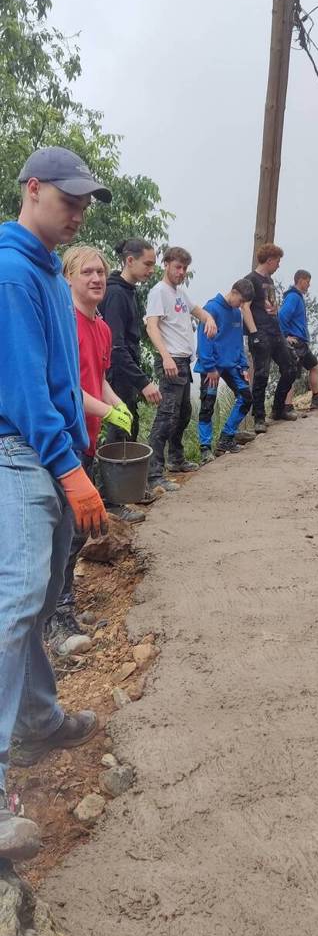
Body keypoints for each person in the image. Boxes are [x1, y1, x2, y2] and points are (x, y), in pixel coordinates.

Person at [0, 146, 109, 862]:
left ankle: (37, 718)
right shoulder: (12, 269)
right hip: (24, 454)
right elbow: (25, 391)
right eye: (66, 199)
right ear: (31, 188)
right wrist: (70, 467)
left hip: (51, 454)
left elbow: (61, 380)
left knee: (37, 603)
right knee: (13, 605)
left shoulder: (42, 268)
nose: (76, 213)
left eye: (82, 203)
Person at [46, 246, 133, 660]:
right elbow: (68, 391)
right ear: (68, 278)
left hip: (87, 442)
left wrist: (118, 405)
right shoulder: (65, 322)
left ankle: (66, 608)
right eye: (87, 272)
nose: (97, 278)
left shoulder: (100, 327)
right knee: (61, 534)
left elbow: (98, 384)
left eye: (101, 272)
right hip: (59, 445)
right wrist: (107, 409)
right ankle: (54, 619)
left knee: (77, 532)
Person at [100, 238, 172, 506]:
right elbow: (115, 348)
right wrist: (143, 382)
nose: (152, 269)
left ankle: (127, 491)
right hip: (115, 374)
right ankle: (112, 501)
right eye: (148, 263)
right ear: (129, 261)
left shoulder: (129, 291)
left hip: (125, 372)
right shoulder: (116, 293)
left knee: (129, 426)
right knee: (119, 430)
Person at [145, 246, 217, 488]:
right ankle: (153, 474)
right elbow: (152, 327)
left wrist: (210, 319)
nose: (181, 272)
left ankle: (176, 459)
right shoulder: (159, 292)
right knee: (165, 416)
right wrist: (165, 357)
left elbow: (199, 311)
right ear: (166, 264)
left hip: (184, 362)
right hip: (171, 361)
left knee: (183, 412)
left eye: (185, 268)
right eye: (177, 267)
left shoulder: (180, 293)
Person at [195, 278, 255, 463]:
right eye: (241, 300)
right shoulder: (211, 309)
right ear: (234, 292)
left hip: (232, 365)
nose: (242, 304)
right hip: (212, 366)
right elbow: (204, 341)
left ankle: (227, 437)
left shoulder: (237, 313)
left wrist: (244, 366)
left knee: (246, 397)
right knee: (208, 405)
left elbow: (238, 342)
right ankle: (205, 448)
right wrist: (210, 368)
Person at [242, 243, 297, 433]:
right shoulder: (250, 280)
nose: (279, 265)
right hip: (260, 332)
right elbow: (245, 307)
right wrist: (254, 333)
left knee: (291, 367)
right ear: (270, 260)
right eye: (278, 261)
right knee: (262, 375)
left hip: (275, 331)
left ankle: (278, 408)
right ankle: (259, 417)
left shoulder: (270, 281)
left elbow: (272, 306)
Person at [279, 269, 318, 412]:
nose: (309, 285)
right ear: (300, 280)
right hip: (295, 342)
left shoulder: (297, 297)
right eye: (307, 282)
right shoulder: (293, 297)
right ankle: (286, 406)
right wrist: (285, 336)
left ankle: (316, 398)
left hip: (301, 342)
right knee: (291, 374)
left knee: (314, 366)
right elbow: (282, 316)